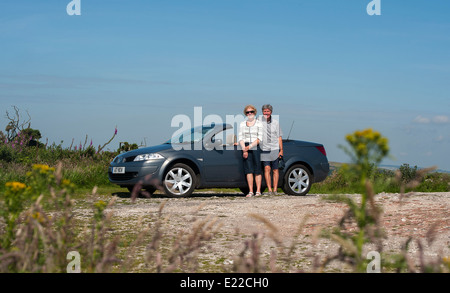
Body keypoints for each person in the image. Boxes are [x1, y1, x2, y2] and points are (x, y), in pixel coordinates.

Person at [238, 105, 263, 197]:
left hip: (255, 146)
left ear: (255, 112)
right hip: (245, 146)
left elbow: (259, 138)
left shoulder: (259, 123)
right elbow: (240, 137)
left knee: (257, 169)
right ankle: (251, 191)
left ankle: (258, 191)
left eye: (251, 112)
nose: (250, 114)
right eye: (248, 112)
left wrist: (249, 147)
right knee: (248, 170)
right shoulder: (242, 124)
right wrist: (244, 149)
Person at [259, 104, 283, 195]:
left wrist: (281, 150)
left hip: (274, 148)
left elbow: (279, 137)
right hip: (264, 148)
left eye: (268, 111)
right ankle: (269, 189)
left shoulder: (276, 123)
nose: (266, 113)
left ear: (271, 112)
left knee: (275, 169)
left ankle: (275, 190)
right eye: (264, 111)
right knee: (267, 168)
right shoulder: (259, 121)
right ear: (262, 112)